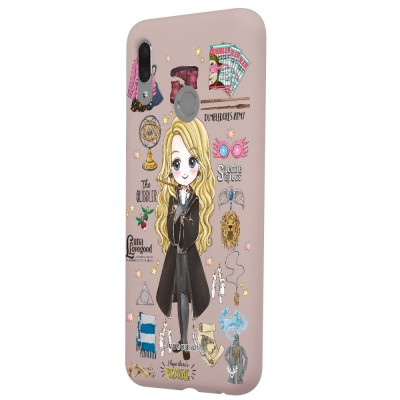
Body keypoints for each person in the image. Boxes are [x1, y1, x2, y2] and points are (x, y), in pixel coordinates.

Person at [155, 117, 216, 360]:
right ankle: (182, 341)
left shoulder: (195, 200)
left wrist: (182, 214)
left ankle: (186, 341)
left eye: (191, 162)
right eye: (176, 163)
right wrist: (176, 214)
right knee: (179, 296)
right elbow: (170, 231)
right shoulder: (172, 199)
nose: (183, 171)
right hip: (175, 254)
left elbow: (194, 230)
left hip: (188, 255)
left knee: (187, 297)